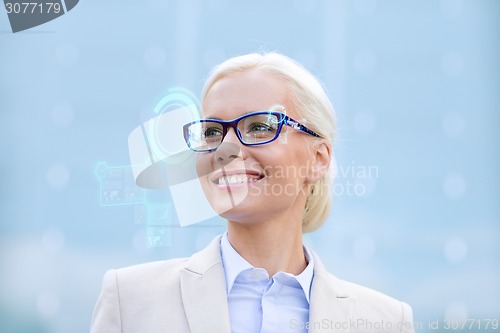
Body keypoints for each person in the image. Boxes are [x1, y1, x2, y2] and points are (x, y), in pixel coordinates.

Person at [91, 52, 414, 333]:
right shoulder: (130, 300)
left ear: (318, 158)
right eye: (212, 132)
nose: (227, 149)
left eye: (260, 126)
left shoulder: (384, 323)